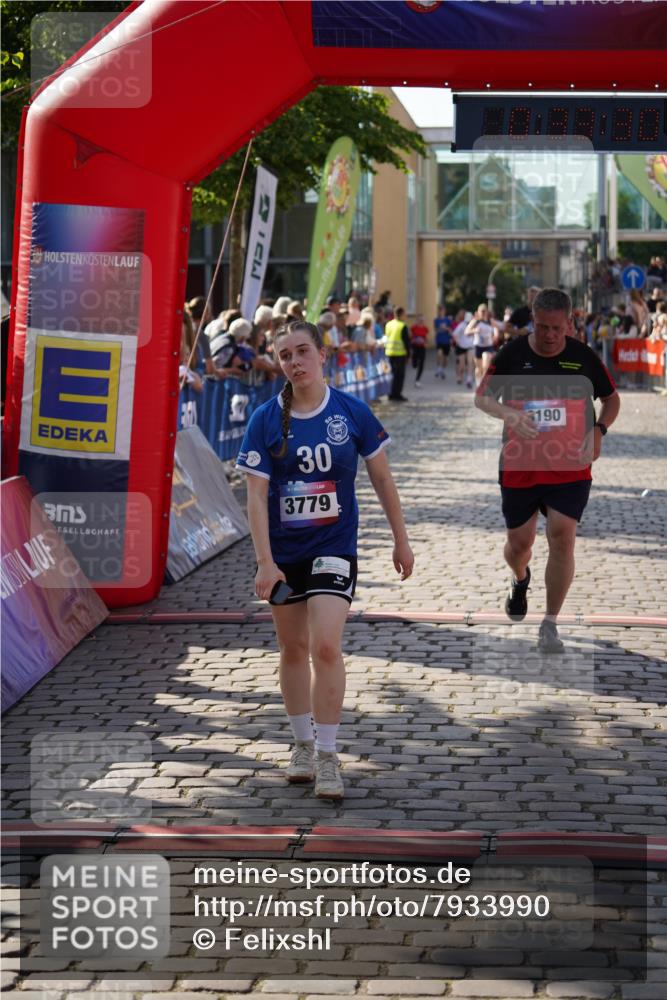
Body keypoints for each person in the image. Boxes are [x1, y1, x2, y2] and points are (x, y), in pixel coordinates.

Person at [236, 320, 414, 799]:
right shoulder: (264, 420)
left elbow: (381, 478)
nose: (294, 362)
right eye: (284, 356)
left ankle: (330, 756)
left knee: (326, 647)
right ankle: (301, 745)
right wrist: (264, 562)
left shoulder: (351, 412)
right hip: (283, 553)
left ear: (323, 354)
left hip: (334, 546)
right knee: (292, 649)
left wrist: (401, 538)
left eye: (301, 352)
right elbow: (255, 497)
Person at [474, 288, 620, 654]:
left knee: (562, 535)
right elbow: (482, 396)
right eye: (542, 327)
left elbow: (612, 399)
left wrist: (599, 430)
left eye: (557, 328)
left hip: (570, 464)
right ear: (533, 322)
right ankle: (519, 578)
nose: (550, 335)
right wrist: (508, 413)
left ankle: (550, 623)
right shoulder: (513, 353)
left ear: (569, 324)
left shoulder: (583, 357)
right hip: (520, 464)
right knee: (519, 546)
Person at [384, 306, 411, 401]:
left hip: (389, 352)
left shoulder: (388, 324)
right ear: (401, 314)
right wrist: (409, 354)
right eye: (404, 314)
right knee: (399, 375)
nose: (406, 316)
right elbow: (406, 341)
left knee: (391, 374)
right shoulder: (402, 325)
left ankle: (390, 393)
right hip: (399, 353)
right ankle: (397, 394)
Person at [466, 303, 496, 386]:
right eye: (481, 311)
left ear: (487, 312)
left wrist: (496, 335)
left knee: (486, 364)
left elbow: (497, 328)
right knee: (478, 368)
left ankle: (484, 383)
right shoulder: (475, 321)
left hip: (488, 346)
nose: (483, 313)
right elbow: (467, 332)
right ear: (478, 312)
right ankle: (478, 383)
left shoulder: (490, 321)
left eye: (484, 311)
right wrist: (475, 330)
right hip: (478, 346)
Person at [410, 313, 429, 387]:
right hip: (415, 347)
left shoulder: (425, 328)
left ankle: (417, 380)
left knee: (421, 364)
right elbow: (410, 337)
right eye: (420, 320)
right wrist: (412, 341)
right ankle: (414, 363)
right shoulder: (413, 328)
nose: (421, 321)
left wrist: (426, 343)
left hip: (422, 347)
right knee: (414, 364)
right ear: (417, 320)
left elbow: (426, 338)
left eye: (422, 320)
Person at [434, 306, 451, 379]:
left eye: (443, 310)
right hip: (439, 340)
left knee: (446, 359)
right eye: (440, 311)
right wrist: (440, 328)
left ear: (444, 311)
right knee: (439, 354)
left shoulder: (448, 320)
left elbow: (451, 330)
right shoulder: (436, 320)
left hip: (447, 341)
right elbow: (435, 330)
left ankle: (442, 370)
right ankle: (438, 368)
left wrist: (446, 328)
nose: (441, 312)